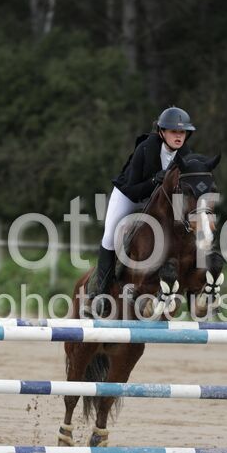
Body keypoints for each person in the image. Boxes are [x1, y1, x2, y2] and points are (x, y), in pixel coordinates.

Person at [90, 106, 195, 310]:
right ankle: (101, 293)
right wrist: (154, 180)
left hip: (159, 201)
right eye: (174, 131)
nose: (179, 136)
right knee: (110, 236)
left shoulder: (185, 155)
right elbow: (132, 188)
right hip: (129, 195)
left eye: (182, 132)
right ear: (161, 132)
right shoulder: (146, 148)